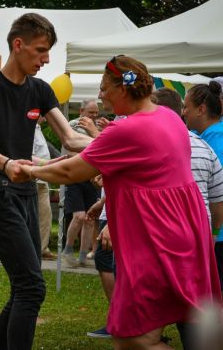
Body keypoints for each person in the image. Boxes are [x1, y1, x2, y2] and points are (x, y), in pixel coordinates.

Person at [15, 55, 221, 349]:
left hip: (156, 237)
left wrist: (31, 171)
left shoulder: (126, 130)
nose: (100, 95)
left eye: (104, 87)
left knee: (132, 337)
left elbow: (71, 170)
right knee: (179, 325)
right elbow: (96, 153)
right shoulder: (169, 118)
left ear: (123, 89)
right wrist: (41, 161)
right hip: (186, 231)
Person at [0, 13, 90, 349]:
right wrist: (5, 164)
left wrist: (119, 143)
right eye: (40, 50)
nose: (46, 59)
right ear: (18, 45)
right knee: (32, 287)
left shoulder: (40, 90)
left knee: (24, 286)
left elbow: (71, 139)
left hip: (27, 193)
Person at [182, 82, 223, 291]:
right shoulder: (212, 136)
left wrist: (215, 231)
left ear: (202, 109)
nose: (183, 112)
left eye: (186, 106)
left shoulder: (213, 141)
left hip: (217, 235)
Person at [61, 99, 101, 267]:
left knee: (90, 218)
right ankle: (68, 250)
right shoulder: (72, 125)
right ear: (81, 111)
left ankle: (83, 255)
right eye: (91, 112)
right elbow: (70, 148)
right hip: (75, 176)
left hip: (91, 177)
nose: (94, 115)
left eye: (96, 113)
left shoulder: (97, 129)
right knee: (78, 216)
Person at [32, 117, 56, 260]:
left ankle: (42, 248)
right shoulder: (27, 127)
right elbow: (29, 155)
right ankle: (35, 249)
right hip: (32, 178)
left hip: (43, 180)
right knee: (33, 215)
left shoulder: (38, 129)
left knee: (45, 215)